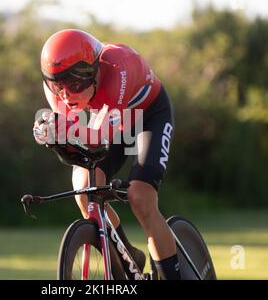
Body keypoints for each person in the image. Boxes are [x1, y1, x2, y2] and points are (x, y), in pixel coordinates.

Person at [33, 29, 180, 280]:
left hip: (148, 117)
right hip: (113, 122)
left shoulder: (117, 68)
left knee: (140, 197)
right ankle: (128, 259)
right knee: (84, 192)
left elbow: (98, 137)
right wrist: (52, 136)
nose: (66, 95)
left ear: (93, 71)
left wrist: (63, 130)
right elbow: (76, 145)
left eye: (75, 84)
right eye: (58, 85)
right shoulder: (56, 86)